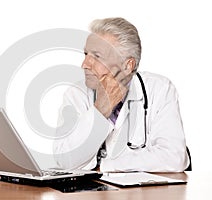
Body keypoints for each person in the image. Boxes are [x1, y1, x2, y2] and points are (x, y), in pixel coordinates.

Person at [53, 17, 190, 172]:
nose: (84, 64)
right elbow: (65, 161)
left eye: (97, 56)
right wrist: (100, 110)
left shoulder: (159, 89)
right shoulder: (76, 94)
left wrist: (105, 166)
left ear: (127, 65)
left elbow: (174, 158)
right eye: (85, 54)